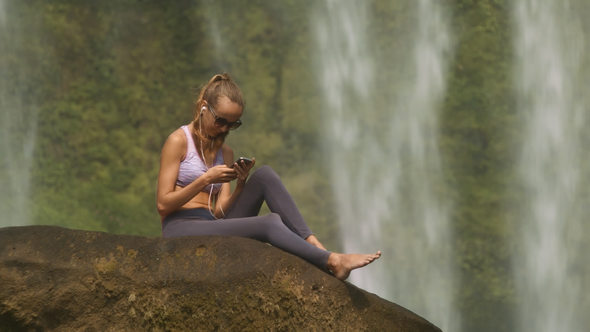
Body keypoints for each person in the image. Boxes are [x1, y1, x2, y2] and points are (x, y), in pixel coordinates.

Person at [156, 73, 381, 280]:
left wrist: (241, 184)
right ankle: (331, 261)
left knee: (264, 175)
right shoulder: (178, 141)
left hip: (211, 224)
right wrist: (205, 179)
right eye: (221, 121)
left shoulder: (225, 152)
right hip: (181, 226)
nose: (225, 129)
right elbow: (163, 205)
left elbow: (219, 212)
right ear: (204, 108)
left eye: (233, 124)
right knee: (269, 223)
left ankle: (319, 249)